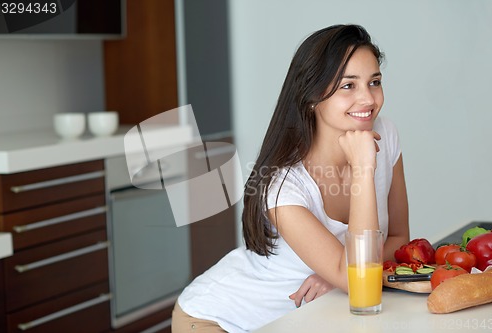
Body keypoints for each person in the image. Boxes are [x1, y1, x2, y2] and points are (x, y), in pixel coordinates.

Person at [172, 24, 409, 333]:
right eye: (348, 86)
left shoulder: (385, 135)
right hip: (216, 318)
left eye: (374, 82)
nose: (368, 99)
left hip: (300, 318)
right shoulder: (283, 185)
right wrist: (363, 169)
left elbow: (399, 241)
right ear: (311, 95)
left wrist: (338, 276)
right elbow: (356, 277)